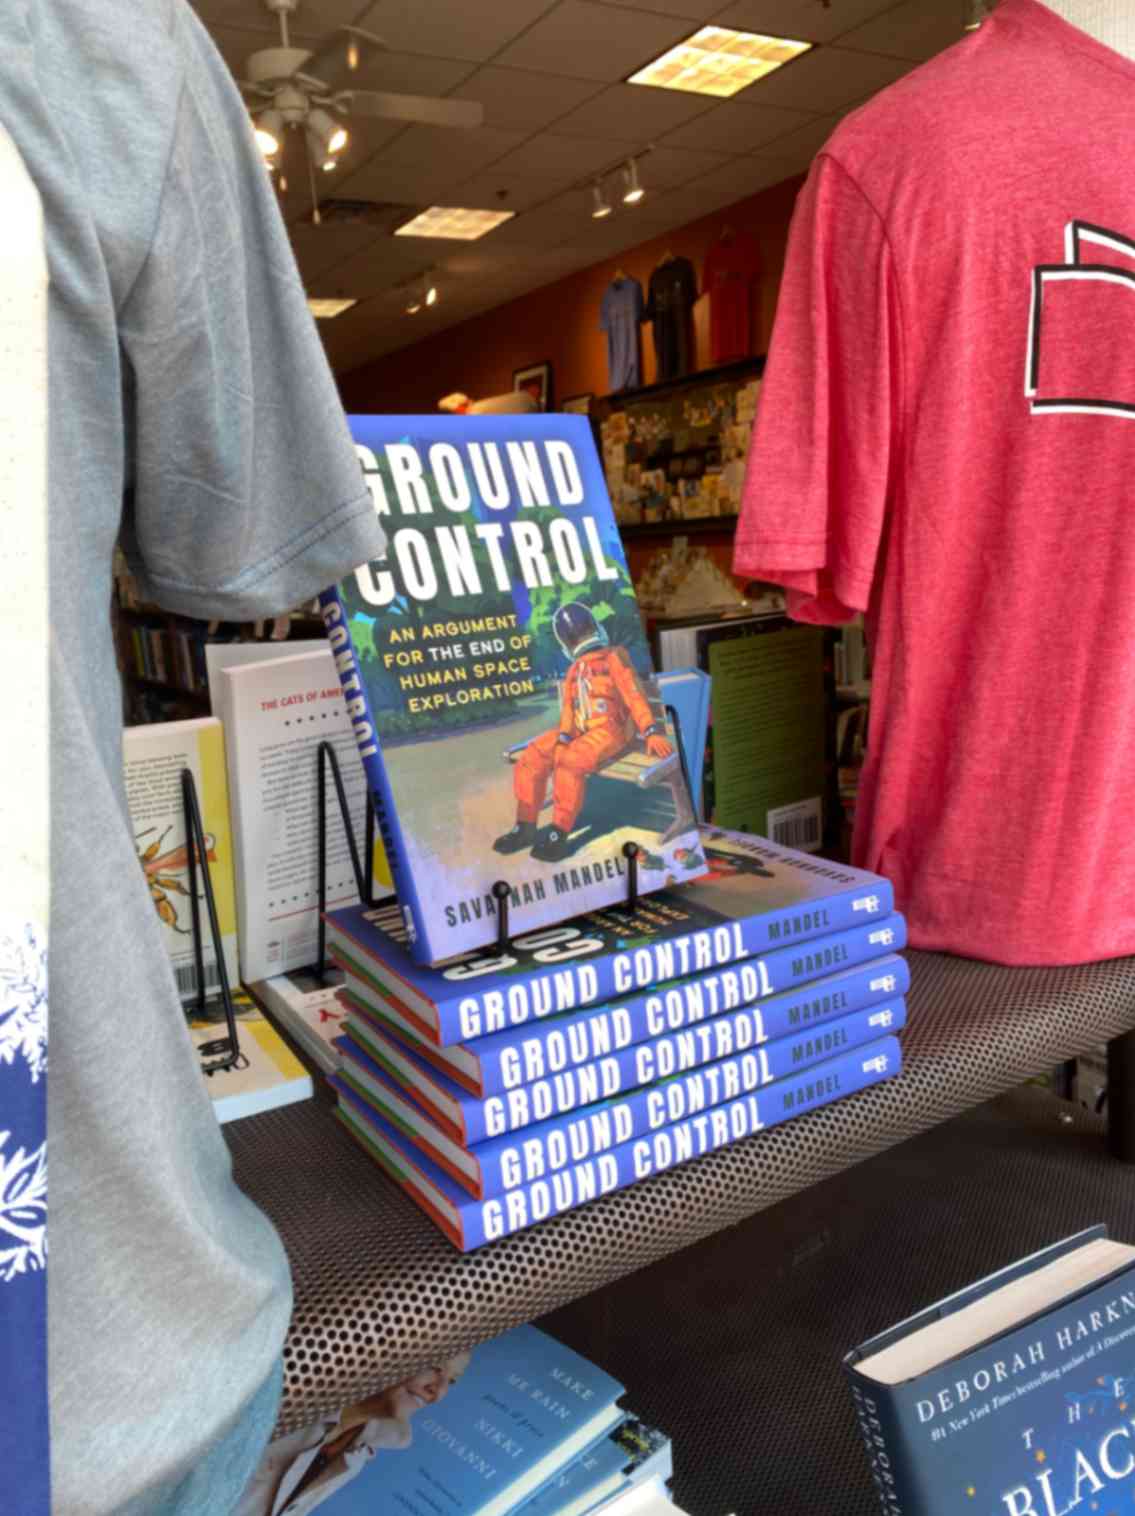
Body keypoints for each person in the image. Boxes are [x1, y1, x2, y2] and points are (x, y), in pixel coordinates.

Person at [0, 1, 385, 1510]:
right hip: (106, 1375)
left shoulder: (101, 43)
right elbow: (241, 542)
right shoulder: (102, 42)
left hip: (97, 1338)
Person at [494, 602, 673, 863]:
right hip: (579, 730)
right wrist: (563, 738)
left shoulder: (615, 658)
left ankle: (559, 832)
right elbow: (568, 709)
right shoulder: (575, 670)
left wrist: (651, 729)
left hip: (611, 730)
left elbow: (634, 695)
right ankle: (525, 826)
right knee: (531, 757)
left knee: (570, 763)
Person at [234, 1353, 472, 1516]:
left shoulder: (359, 1452)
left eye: (451, 1381)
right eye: (436, 1367)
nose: (437, 1390)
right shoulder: (289, 1398)